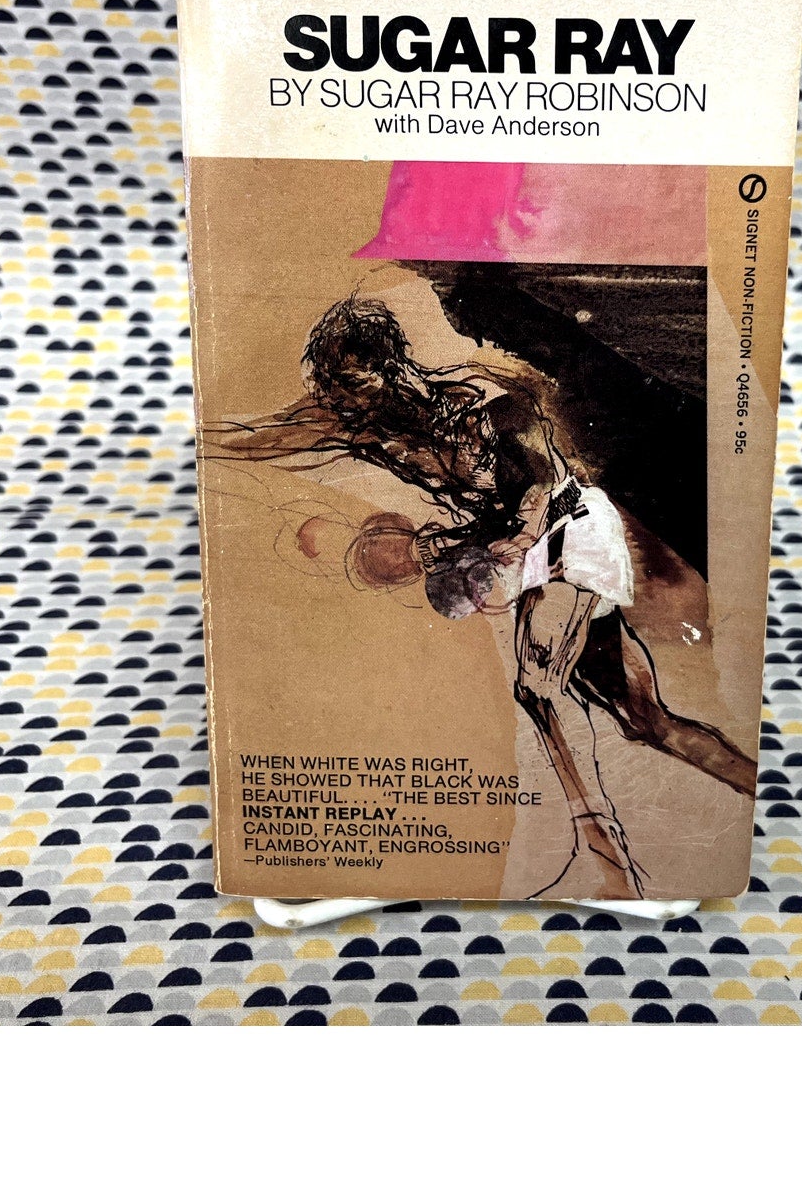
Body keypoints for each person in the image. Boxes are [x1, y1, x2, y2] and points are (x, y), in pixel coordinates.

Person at [204, 296, 755, 899]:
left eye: (354, 387)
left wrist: (497, 543)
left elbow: (544, 484)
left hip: (567, 531)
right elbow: (259, 438)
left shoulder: (481, 399)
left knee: (537, 689)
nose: (346, 405)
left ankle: (610, 866)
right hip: (522, 553)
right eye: (337, 393)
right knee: (646, 720)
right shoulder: (363, 426)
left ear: (389, 366)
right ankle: (753, 784)